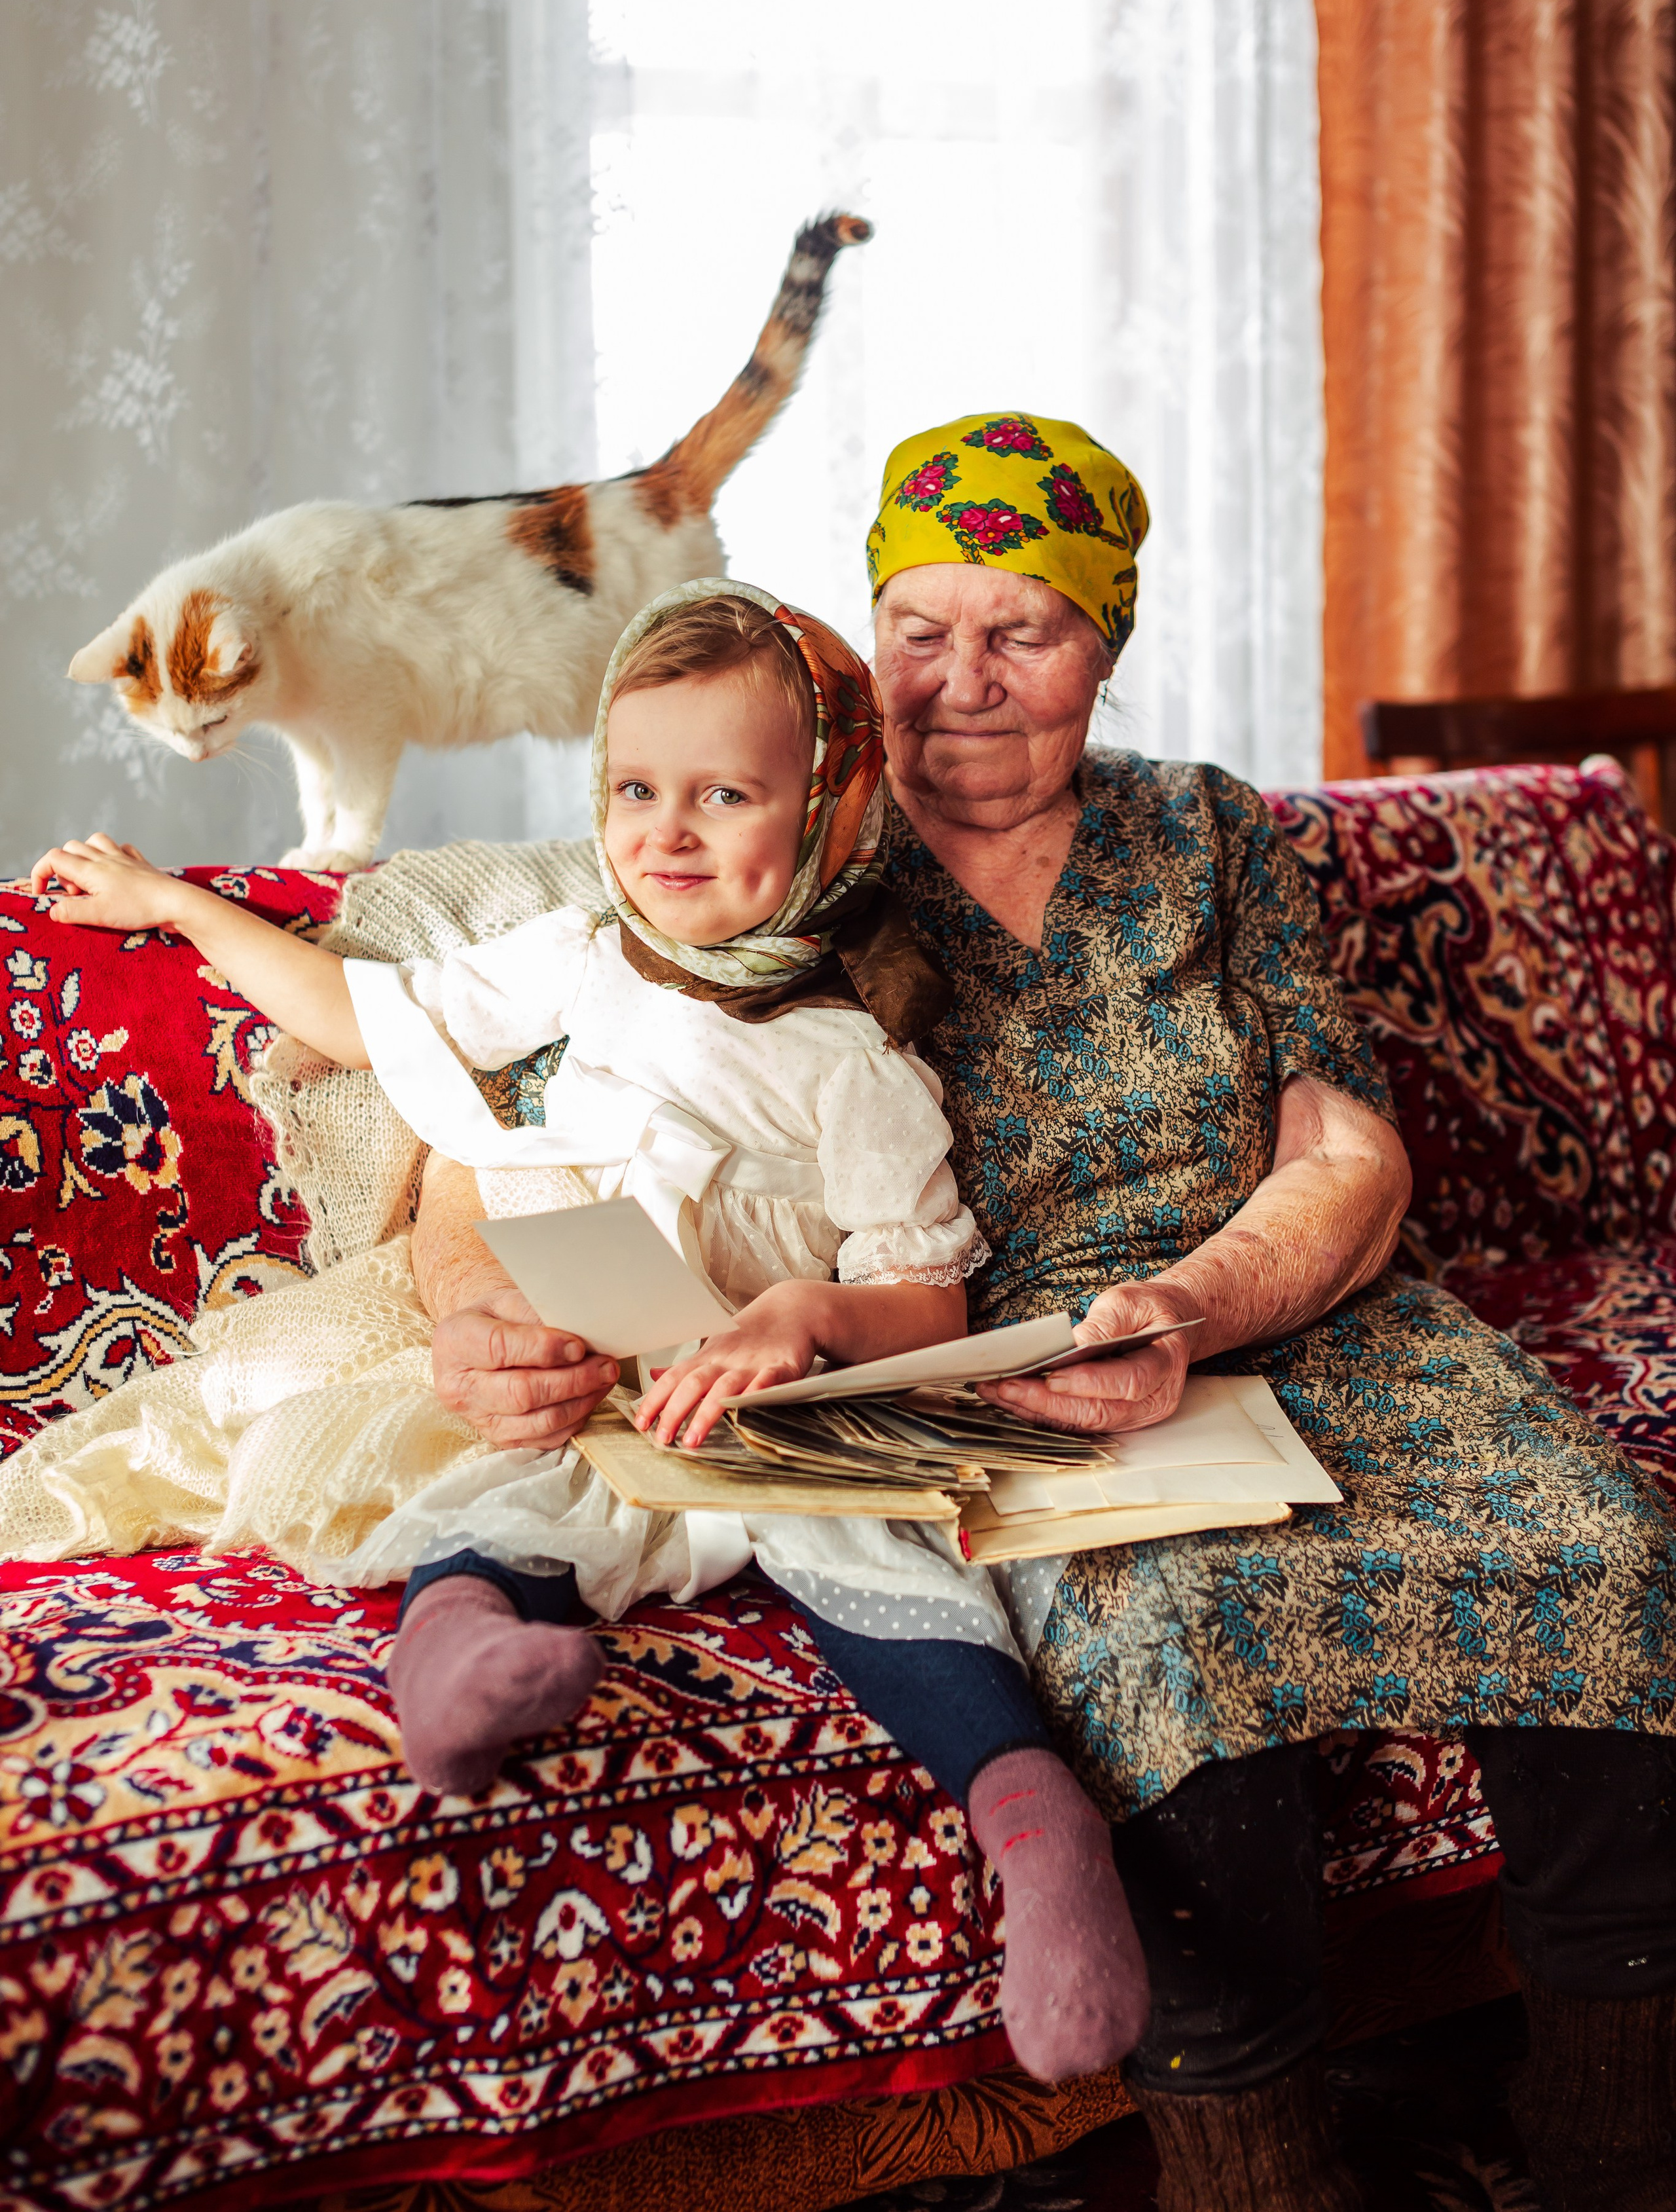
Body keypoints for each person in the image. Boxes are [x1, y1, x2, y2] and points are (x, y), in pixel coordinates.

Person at [419, 417, 1676, 2212]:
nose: (963, 682)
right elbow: (482, 1125)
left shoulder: (1207, 836)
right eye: (919, 627)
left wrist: (1190, 1296)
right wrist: (477, 1309)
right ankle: (1264, 2183)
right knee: (1169, 1671)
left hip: (1299, 1317)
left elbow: (1347, 1150)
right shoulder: (783, 838)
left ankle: (1616, 2157)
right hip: (985, 1373)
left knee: (1605, 1553)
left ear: (1109, 640)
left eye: (1025, 631)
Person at [21, 580, 1148, 2087]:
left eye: (722, 795)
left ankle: (1036, 1830)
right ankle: (469, 1658)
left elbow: (925, 1295)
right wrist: (177, 905)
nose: (663, 834)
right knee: (500, 1493)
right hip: (608, 1375)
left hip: (781, 1396)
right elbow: (375, 1015)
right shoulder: (578, 957)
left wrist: (804, 1317)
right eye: (633, 789)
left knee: (886, 1563)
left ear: (824, 816)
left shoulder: (854, 1062)